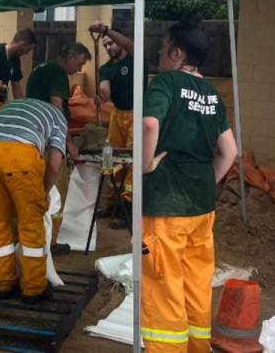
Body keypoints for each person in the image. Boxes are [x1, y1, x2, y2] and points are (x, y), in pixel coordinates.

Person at [140, 20, 238, 353]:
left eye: (162, 49)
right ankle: (198, 347)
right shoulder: (212, 92)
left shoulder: (165, 82)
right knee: (196, 283)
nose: (159, 56)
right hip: (202, 206)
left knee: (163, 286)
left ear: (176, 52)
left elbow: (150, 122)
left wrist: (143, 166)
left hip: (166, 205)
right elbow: (230, 152)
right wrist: (203, 182)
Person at [0, 98, 68, 302]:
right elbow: (54, 165)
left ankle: (3, 283)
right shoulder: (60, 118)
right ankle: (34, 288)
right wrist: (42, 193)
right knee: (30, 222)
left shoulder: (14, 105)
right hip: (19, 156)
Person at [89, 21, 137, 226]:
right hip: (118, 113)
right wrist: (102, 96)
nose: (108, 48)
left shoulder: (135, 58)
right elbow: (105, 89)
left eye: (111, 43)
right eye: (105, 45)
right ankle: (112, 201)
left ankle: (129, 206)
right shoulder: (107, 67)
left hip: (137, 113)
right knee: (111, 156)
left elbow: (131, 45)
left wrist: (106, 31)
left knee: (133, 158)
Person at [25, 41, 90, 161]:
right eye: (80, 64)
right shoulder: (58, 73)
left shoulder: (43, 67)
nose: (80, 68)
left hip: (32, 129)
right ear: (70, 58)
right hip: (46, 132)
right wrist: (68, 142)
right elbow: (57, 110)